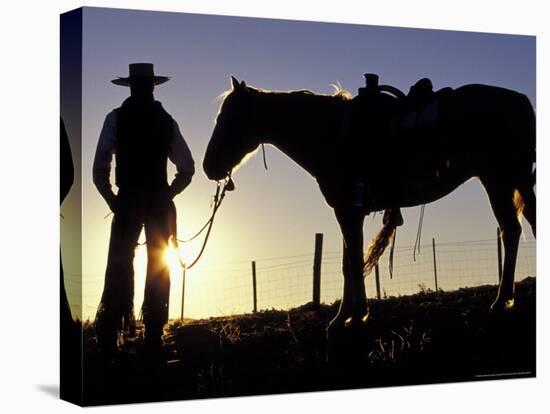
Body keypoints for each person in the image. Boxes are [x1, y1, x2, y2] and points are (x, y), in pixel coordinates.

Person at [93, 63, 195, 356]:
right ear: (152, 87)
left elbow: (99, 168)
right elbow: (187, 168)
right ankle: (153, 334)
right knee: (160, 267)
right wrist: (168, 194)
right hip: (158, 203)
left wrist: (113, 200)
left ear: (131, 86)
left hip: (127, 201)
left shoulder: (116, 118)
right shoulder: (166, 121)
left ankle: (110, 333)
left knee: (118, 264)